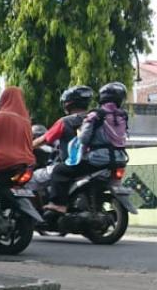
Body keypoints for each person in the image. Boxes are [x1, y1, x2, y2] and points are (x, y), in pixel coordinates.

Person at [44, 82, 130, 212]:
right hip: (120, 159)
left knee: (60, 171)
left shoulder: (95, 115)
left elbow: (83, 138)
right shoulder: (123, 115)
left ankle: (59, 204)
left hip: (97, 159)